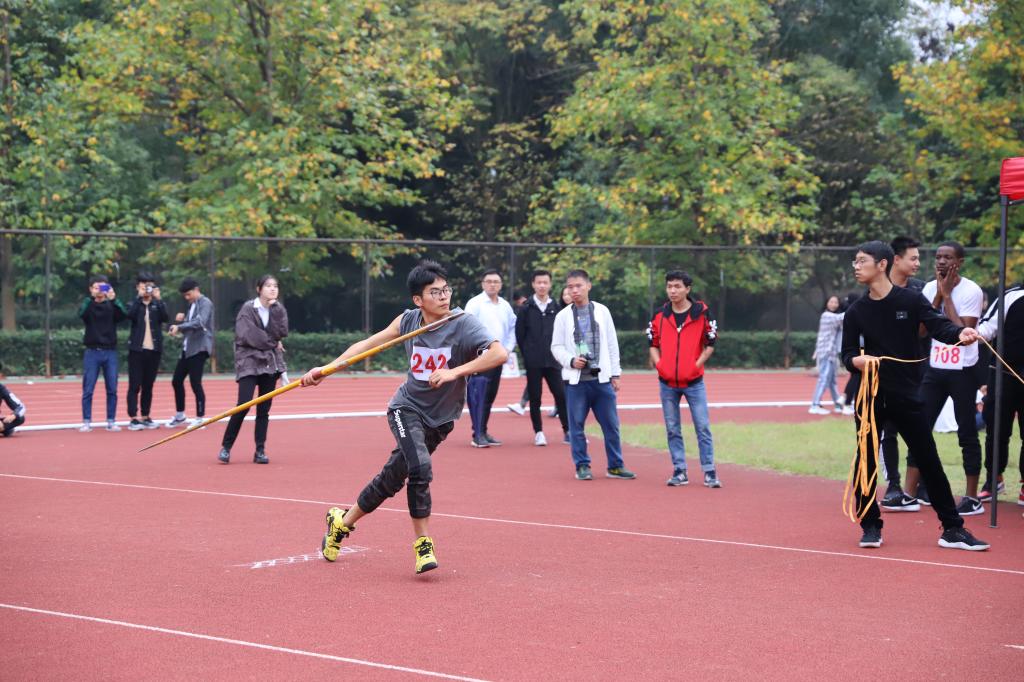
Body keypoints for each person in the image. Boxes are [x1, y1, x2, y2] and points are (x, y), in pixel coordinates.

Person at [301, 260, 506, 574]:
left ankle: (341, 522)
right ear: (418, 299)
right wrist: (325, 370)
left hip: (441, 419)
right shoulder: (409, 320)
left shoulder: (463, 323)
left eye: (446, 290)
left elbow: (498, 353)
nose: (444, 296)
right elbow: (367, 345)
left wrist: (454, 372)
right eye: (435, 292)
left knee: (392, 478)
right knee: (420, 467)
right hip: (406, 408)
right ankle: (423, 544)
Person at [841, 240, 988, 551]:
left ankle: (952, 528)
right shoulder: (855, 311)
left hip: (907, 395)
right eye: (855, 261)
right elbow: (848, 354)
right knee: (866, 461)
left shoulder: (910, 300)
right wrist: (857, 362)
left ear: (882, 265)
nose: (856, 266)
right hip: (870, 396)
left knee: (928, 460)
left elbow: (939, 326)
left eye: (862, 260)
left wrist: (960, 333)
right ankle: (870, 525)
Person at [903, 241, 984, 516]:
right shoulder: (928, 288)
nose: (941, 261)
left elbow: (963, 334)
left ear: (959, 262)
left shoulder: (972, 290)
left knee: (967, 432)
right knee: (919, 427)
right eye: (938, 257)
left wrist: (947, 295)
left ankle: (971, 497)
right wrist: (937, 296)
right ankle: (909, 494)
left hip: (963, 370)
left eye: (947, 257)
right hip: (935, 368)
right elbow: (920, 332)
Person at [551, 269, 635, 481]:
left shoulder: (602, 311)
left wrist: (615, 374)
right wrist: (571, 360)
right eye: (570, 287)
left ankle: (615, 466)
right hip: (576, 382)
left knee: (611, 426)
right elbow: (556, 347)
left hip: (602, 380)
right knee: (576, 427)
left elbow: (612, 344)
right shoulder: (563, 316)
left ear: (588, 286)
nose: (574, 290)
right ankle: (582, 465)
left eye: (578, 286)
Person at [648, 270, 720, 487]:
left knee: (702, 427)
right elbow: (653, 343)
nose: (673, 291)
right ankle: (680, 470)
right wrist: (660, 365)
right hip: (667, 383)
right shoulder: (660, 315)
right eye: (669, 286)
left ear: (687, 289)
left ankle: (709, 471)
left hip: (694, 383)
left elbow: (710, 343)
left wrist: (696, 364)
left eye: (677, 286)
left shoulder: (702, 313)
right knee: (672, 428)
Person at [218, 275, 288, 464]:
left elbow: (282, 332)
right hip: (249, 363)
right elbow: (249, 336)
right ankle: (226, 447)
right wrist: (273, 342)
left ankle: (260, 450)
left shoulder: (278, 309)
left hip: (269, 365)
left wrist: (276, 311)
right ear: (259, 289)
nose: (272, 289)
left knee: (263, 410)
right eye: (268, 286)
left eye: (275, 286)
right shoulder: (248, 309)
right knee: (243, 404)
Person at [878, 236, 926, 509]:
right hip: (887, 373)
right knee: (889, 429)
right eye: (913, 258)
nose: (918, 263)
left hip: (918, 370)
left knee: (919, 427)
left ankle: (920, 484)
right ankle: (894, 485)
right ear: (896, 260)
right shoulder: (877, 288)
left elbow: (926, 329)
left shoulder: (922, 290)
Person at [976, 283, 1024, 506]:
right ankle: (994, 478)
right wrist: (972, 333)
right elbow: (987, 328)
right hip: (1004, 373)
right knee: (996, 429)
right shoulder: (1011, 296)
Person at [515, 269, 570, 446]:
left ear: (550, 284)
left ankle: (568, 431)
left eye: (545, 282)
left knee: (561, 395)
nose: (542, 286)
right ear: (533, 284)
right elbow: (520, 335)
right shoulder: (526, 308)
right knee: (535, 397)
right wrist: (528, 355)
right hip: (533, 362)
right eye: (539, 282)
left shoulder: (557, 308)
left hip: (553, 361)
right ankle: (538, 432)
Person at [464, 269, 517, 448]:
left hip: (498, 357)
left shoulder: (505, 306)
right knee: (478, 395)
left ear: (500, 285)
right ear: (483, 284)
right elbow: (467, 330)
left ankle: (483, 430)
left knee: (490, 396)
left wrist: (507, 349)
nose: (492, 284)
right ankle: (477, 433)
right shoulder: (475, 304)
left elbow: (512, 328)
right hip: (480, 358)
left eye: (496, 281)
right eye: (489, 281)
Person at [79, 275, 128, 432]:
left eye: (103, 287)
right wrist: (92, 299)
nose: (100, 291)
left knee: (112, 388)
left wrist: (114, 299)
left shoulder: (111, 305)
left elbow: (123, 316)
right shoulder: (88, 303)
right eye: (96, 287)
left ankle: (111, 420)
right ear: (91, 289)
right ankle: (86, 421)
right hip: (92, 351)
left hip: (110, 351)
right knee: (88, 389)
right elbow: (82, 314)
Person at [166, 278, 214, 428]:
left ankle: (200, 418)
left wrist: (180, 326)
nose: (187, 297)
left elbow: (200, 322)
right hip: (187, 349)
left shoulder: (205, 303)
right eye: (184, 295)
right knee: (176, 381)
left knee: (195, 383)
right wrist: (181, 323)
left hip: (199, 348)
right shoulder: (192, 305)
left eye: (188, 294)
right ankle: (180, 415)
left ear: (196, 290)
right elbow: (190, 325)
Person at [125, 272, 169, 430]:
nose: (147, 288)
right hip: (137, 350)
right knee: (135, 384)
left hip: (154, 350)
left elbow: (165, 318)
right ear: (138, 286)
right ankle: (133, 417)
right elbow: (130, 316)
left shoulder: (157, 304)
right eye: (144, 285)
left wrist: (159, 299)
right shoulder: (133, 303)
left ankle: (145, 415)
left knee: (148, 385)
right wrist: (139, 298)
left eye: (149, 285)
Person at [808, 295, 844, 415]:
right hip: (825, 352)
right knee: (823, 378)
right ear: (827, 303)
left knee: (832, 380)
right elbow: (842, 317)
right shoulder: (826, 315)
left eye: (836, 302)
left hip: (832, 353)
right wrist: (856, 307)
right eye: (831, 302)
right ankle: (815, 405)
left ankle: (838, 405)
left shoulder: (835, 318)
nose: (833, 304)